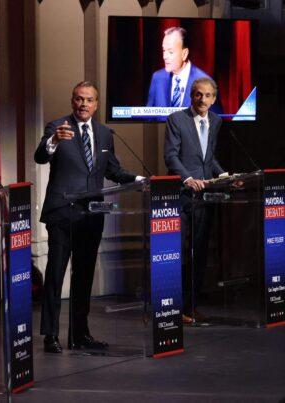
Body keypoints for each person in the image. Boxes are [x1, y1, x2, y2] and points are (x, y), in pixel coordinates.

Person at [35, 81, 143, 353]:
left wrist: (140, 179)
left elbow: (114, 171)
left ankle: (79, 335)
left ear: (96, 104)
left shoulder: (105, 133)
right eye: (79, 99)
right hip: (62, 214)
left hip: (91, 215)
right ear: (73, 101)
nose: (83, 104)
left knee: (84, 277)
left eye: (89, 100)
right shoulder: (57, 127)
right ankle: (50, 335)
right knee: (56, 276)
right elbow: (40, 157)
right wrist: (54, 141)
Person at [164, 77, 227, 323]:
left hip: (204, 197)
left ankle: (191, 307)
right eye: (198, 94)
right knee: (178, 252)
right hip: (181, 196)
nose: (203, 100)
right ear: (192, 96)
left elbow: (208, 158)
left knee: (198, 253)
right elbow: (171, 156)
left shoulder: (216, 121)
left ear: (214, 98)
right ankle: (174, 308)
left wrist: (223, 175)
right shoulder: (176, 119)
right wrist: (187, 178)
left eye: (208, 95)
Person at [147, 26, 221, 114]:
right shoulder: (157, 78)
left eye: (170, 52)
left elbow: (215, 122)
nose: (164, 56)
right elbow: (148, 118)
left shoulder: (206, 83)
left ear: (184, 53)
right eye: (164, 51)